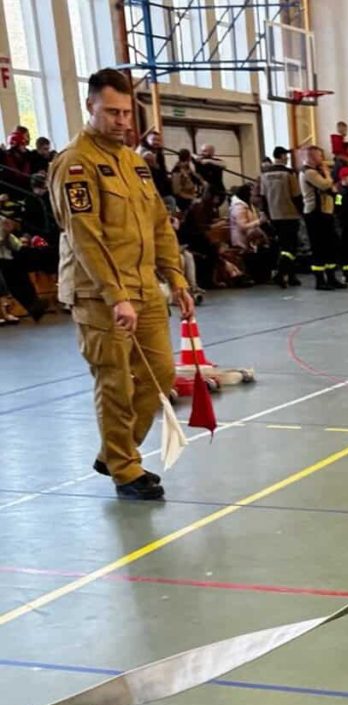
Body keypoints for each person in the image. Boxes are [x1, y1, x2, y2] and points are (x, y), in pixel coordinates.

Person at [49, 68, 194, 501]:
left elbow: (159, 225)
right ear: (90, 106)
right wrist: (116, 297)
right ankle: (124, 469)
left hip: (145, 288)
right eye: (112, 112)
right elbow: (86, 237)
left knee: (161, 374)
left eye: (127, 113)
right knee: (116, 382)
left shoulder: (134, 163)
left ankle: (115, 452)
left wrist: (176, 278)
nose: (121, 121)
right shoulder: (75, 163)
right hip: (99, 295)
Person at [300, 145, 342, 291]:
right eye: (319, 156)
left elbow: (333, 190)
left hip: (326, 213)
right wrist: (327, 173)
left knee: (330, 247)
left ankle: (331, 277)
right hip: (315, 214)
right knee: (319, 248)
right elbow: (325, 185)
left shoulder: (317, 172)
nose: (322, 159)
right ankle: (320, 280)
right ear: (312, 157)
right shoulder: (308, 172)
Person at [261, 146, 303, 288]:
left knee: (283, 245)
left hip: (274, 215)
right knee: (291, 247)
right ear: (282, 156)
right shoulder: (288, 173)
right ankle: (282, 272)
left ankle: (291, 276)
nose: (287, 158)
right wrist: (301, 211)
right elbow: (296, 195)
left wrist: (267, 213)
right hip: (289, 213)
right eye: (286, 155)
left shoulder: (265, 174)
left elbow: (263, 197)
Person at [137, 129, 174, 209]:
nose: (156, 142)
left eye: (158, 140)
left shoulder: (159, 153)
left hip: (159, 189)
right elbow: (156, 167)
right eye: (153, 139)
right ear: (147, 140)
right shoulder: (145, 152)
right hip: (147, 188)